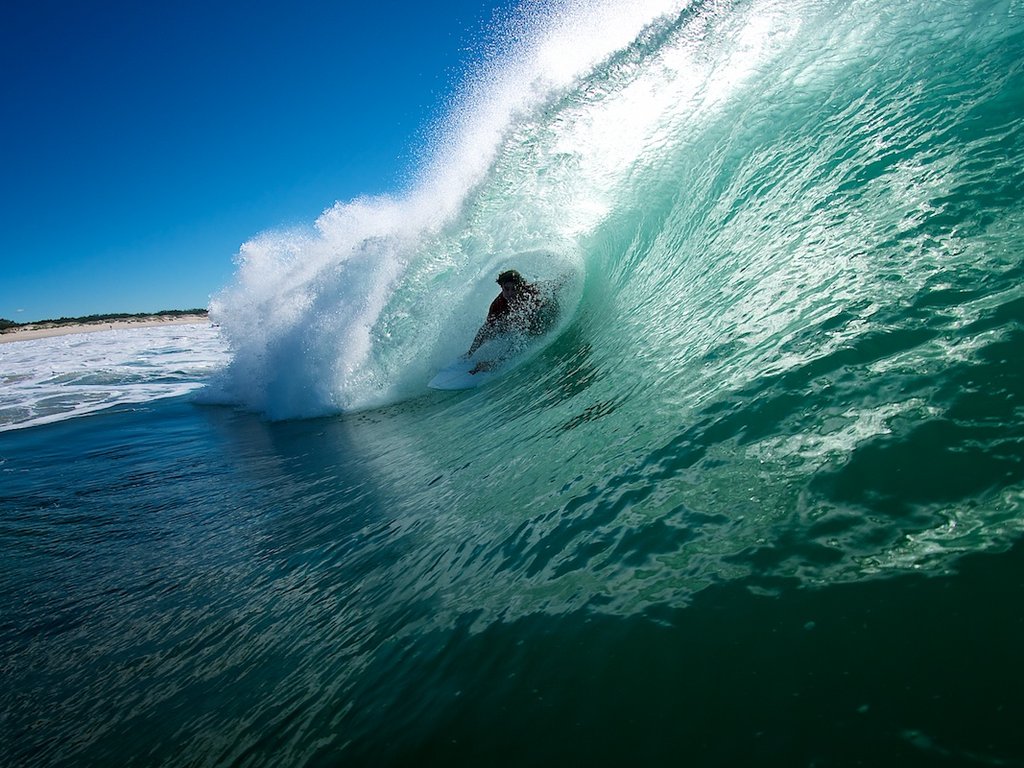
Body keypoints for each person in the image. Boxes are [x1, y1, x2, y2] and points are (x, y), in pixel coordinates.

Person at [465, 270, 555, 370]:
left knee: (529, 331)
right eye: (506, 289)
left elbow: (520, 343)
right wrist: (470, 352)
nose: (510, 293)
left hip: (542, 315)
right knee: (495, 328)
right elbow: (485, 330)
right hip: (521, 319)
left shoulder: (530, 295)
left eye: (514, 289)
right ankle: (468, 355)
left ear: (520, 287)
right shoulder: (497, 305)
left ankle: (495, 363)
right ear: (501, 288)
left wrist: (495, 363)